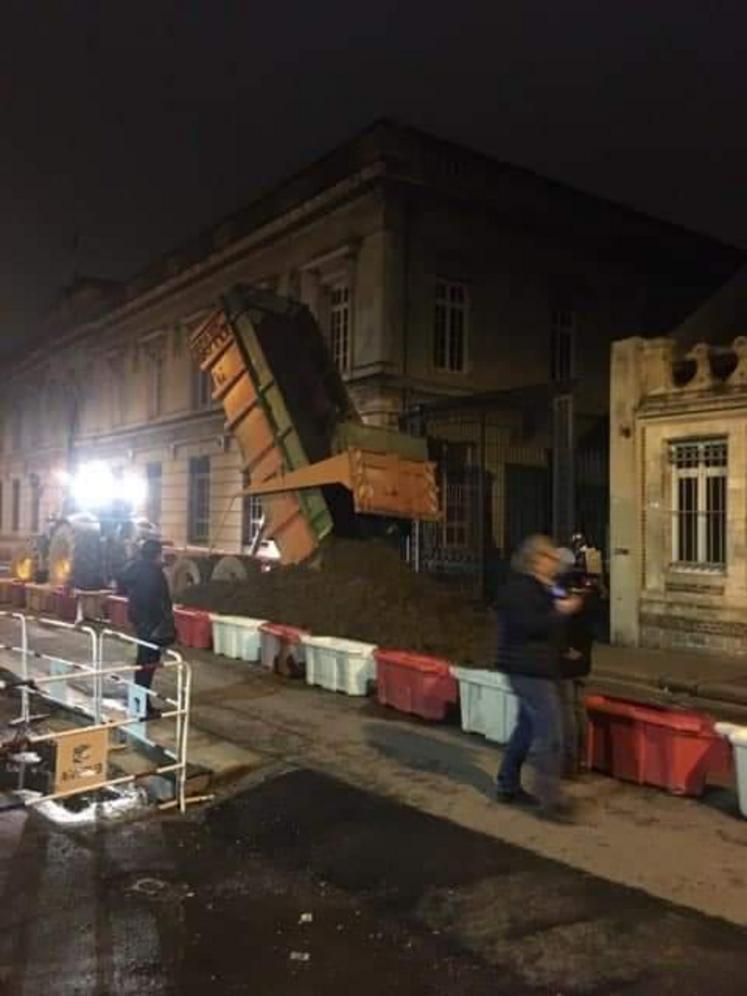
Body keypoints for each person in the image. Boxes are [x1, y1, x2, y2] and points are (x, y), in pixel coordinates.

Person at [495, 534, 582, 822]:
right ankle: (550, 798)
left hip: (540, 666)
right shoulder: (519, 589)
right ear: (534, 559)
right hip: (527, 668)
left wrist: (564, 646)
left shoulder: (546, 587)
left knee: (527, 728)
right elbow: (527, 626)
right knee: (550, 732)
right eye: (549, 557)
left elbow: (548, 628)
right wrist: (559, 612)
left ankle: (508, 783)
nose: (554, 562)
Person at [118, 539, 175, 716]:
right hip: (152, 625)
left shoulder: (134, 569)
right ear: (157, 554)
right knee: (147, 667)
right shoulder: (154, 574)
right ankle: (142, 707)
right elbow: (158, 601)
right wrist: (165, 622)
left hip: (140, 622)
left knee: (142, 665)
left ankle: (140, 703)